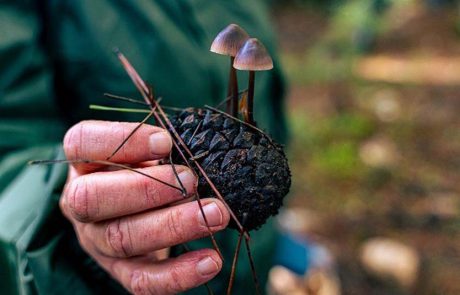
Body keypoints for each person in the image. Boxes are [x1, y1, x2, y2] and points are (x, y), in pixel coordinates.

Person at [0, 1, 288, 294]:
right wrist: (63, 208)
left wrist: (278, 230)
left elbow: (267, 122)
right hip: (105, 282)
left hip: (254, 269)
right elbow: (9, 142)